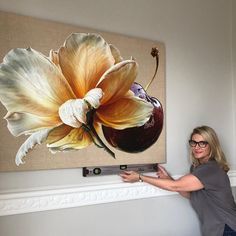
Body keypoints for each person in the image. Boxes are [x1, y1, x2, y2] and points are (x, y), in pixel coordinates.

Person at [120, 126, 236, 236]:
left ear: (212, 145)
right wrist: (168, 179)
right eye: (193, 143)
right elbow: (191, 195)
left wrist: (140, 177)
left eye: (202, 143)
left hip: (227, 229)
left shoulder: (210, 170)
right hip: (215, 229)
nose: (196, 147)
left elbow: (176, 186)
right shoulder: (197, 168)